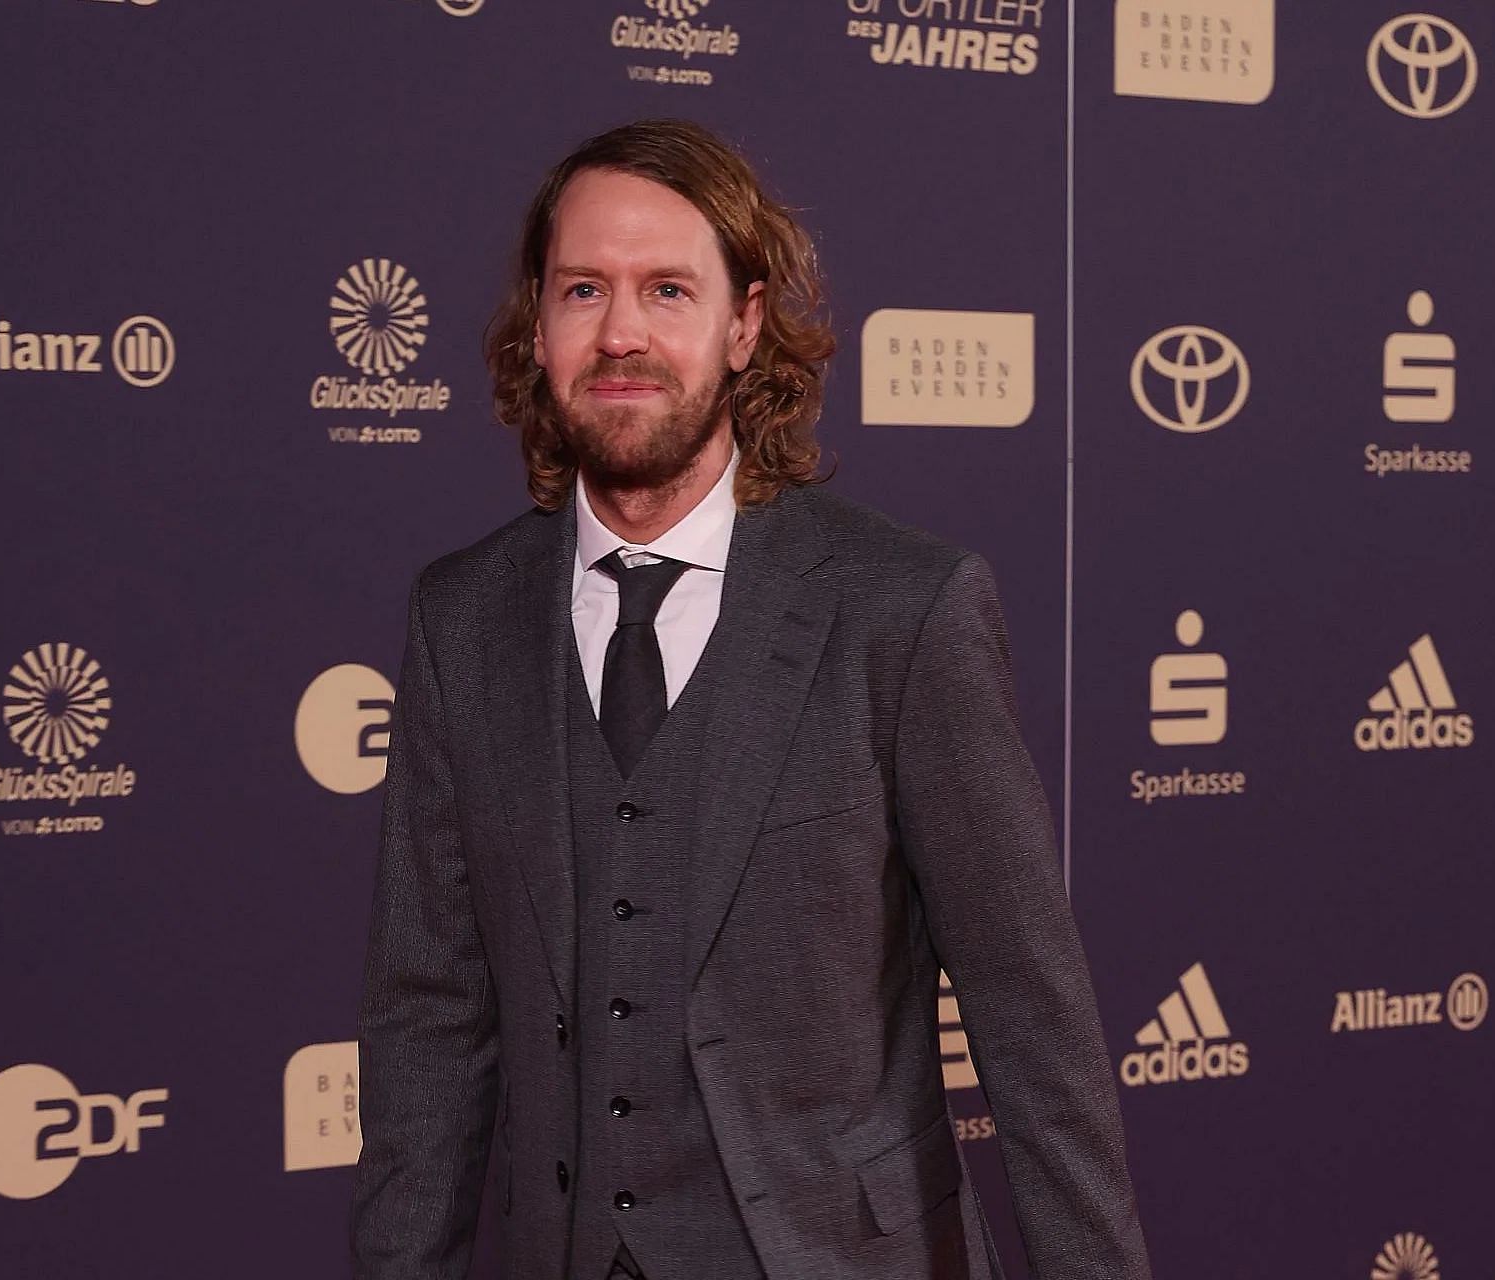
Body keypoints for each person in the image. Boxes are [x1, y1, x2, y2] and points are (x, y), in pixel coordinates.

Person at [350, 118, 1152, 1280]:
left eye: (667, 289)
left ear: (745, 325)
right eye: (583, 289)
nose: (621, 332)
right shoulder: (459, 619)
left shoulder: (902, 610)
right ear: (539, 325)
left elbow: (1034, 1021)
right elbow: (429, 1022)